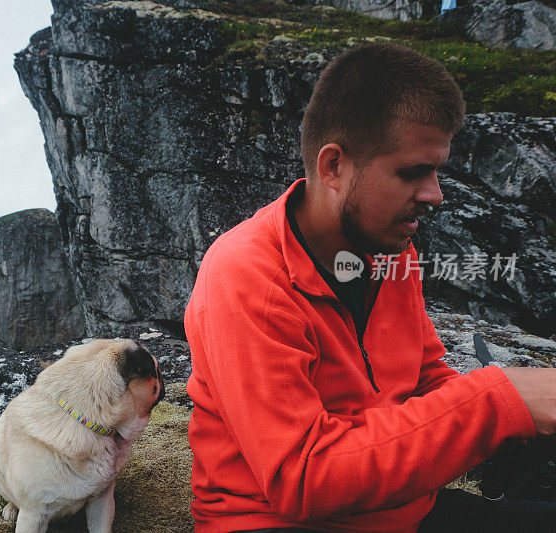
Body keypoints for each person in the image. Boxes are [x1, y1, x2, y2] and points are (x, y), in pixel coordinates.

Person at [184, 42, 556, 532]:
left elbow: (427, 381)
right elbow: (304, 480)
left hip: (399, 512)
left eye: (438, 170)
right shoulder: (245, 275)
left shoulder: (391, 251)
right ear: (333, 166)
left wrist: (527, 418)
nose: (435, 195)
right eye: (412, 172)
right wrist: (498, 402)